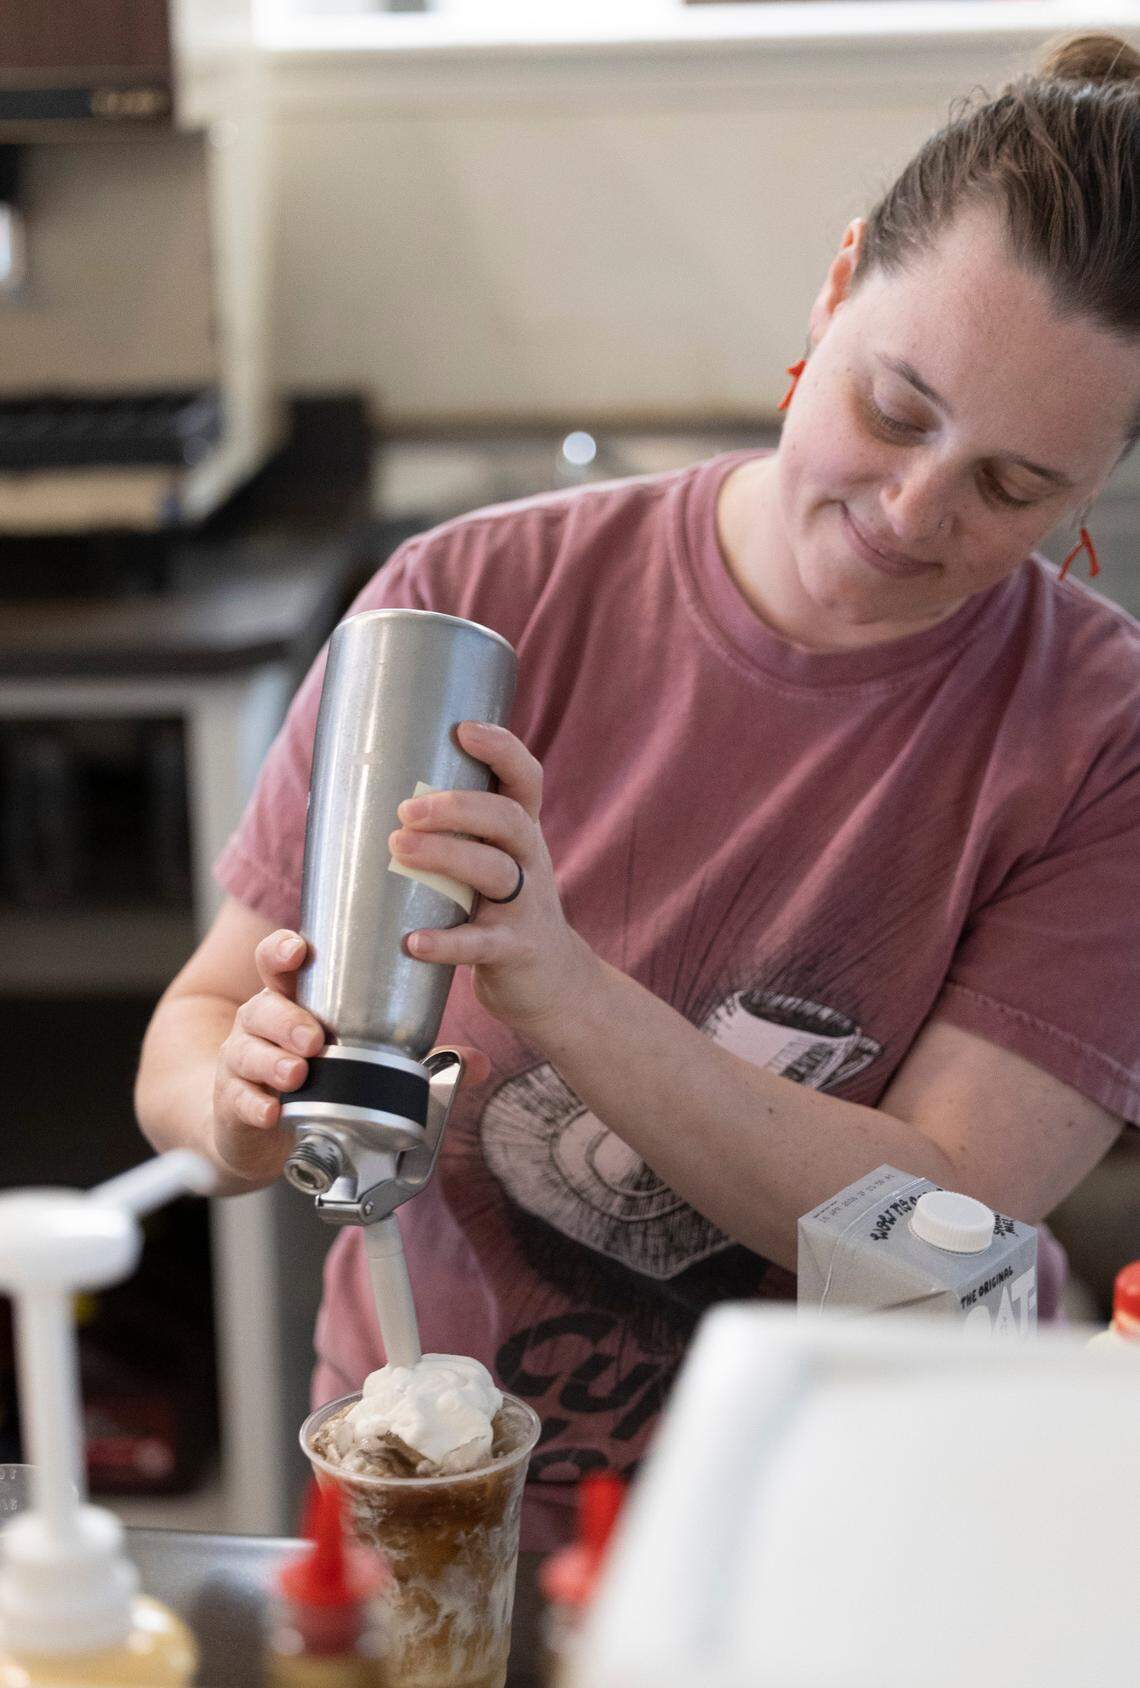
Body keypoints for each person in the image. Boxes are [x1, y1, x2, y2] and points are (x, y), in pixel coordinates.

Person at [136, 32, 1140, 1549]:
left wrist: (567, 993)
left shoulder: (1103, 738)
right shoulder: (473, 601)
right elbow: (195, 1031)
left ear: (1102, 478)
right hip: (447, 1506)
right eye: (894, 407)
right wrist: (240, 1101)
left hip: (864, 1533)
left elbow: (946, 1237)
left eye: (1015, 488)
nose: (911, 511)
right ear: (839, 282)